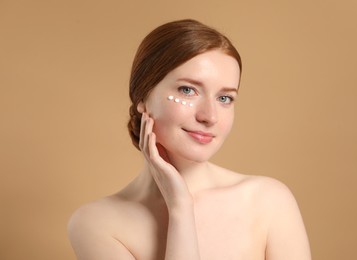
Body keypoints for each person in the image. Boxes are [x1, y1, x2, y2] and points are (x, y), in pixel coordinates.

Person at [67, 19, 311, 260]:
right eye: (187, 90)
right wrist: (180, 209)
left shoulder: (268, 201)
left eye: (225, 98)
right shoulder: (96, 224)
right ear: (143, 97)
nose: (210, 116)